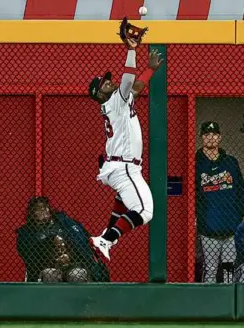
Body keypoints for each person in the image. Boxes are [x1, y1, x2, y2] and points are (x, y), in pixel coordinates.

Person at [87, 34, 163, 261]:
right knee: (145, 211)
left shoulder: (117, 101)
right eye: (105, 83)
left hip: (119, 165)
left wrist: (150, 70)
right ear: (100, 94)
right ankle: (106, 239)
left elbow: (136, 87)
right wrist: (132, 49)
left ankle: (106, 234)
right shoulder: (114, 101)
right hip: (124, 166)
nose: (110, 82)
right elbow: (129, 80)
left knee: (125, 198)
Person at [195, 121, 244, 283]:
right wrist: (200, 219)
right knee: (210, 269)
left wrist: (237, 217)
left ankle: (229, 306)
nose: (211, 138)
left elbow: (241, 190)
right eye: (207, 134)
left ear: (220, 137)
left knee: (229, 269)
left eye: (214, 134)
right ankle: (208, 305)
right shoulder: (196, 163)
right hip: (208, 228)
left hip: (230, 227)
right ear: (202, 138)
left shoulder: (230, 162)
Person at [15, 196, 110, 283]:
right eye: (38, 209)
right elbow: (29, 255)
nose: (44, 211)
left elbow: (82, 243)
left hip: (74, 263)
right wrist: (51, 248)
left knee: (77, 274)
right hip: (48, 265)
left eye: (45, 207)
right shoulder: (27, 231)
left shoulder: (65, 223)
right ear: (32, 213)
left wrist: (70, 255)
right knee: (50, 274)